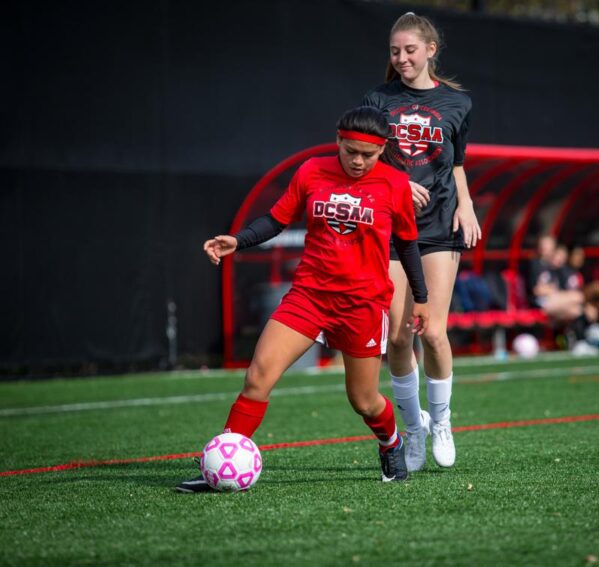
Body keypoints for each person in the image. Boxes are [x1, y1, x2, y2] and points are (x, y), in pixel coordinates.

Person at [176, 106, 430, 491]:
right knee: (257, 377)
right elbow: (276, 219)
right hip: (309, 295)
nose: (358, 161)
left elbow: (408, 246)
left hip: (362, 303)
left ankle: (391, 443)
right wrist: (238, 239)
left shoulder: (394, 184)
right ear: (338, 141)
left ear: (382, 151)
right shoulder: (312, 170)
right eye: (351, 152)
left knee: (363, 401)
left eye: (369, 154)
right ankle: (220, 460)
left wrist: (422, 299)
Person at [361, 12, 481, 472]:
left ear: (431, 50)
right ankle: (413, 430)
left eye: (410, 50)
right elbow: (361, 156)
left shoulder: (458, 103)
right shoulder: (377, 98)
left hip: (438, 229)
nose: (402, 58)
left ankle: (444, 421)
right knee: (396, 336)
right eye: (395, 51)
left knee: (431, 330)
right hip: (390, 228)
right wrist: (392, 181)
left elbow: (457, 163)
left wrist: (466, 205)